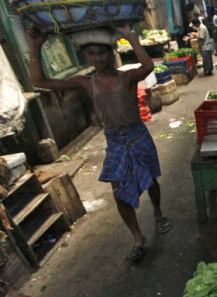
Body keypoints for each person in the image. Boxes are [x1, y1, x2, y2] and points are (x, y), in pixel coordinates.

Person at [26, 25, 171, 262]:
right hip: (114, 142)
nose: (97, 58)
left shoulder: (127, 78)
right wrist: (35, 45)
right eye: (91, 54)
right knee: (119, 195)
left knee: (151, 180)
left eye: (101, 53)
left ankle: (157, 212)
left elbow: (148, 66)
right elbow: (39, 80)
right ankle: (137, 237)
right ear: (86, 56)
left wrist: (129, 35)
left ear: (111, 53)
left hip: (138, 136)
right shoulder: (86, 82)